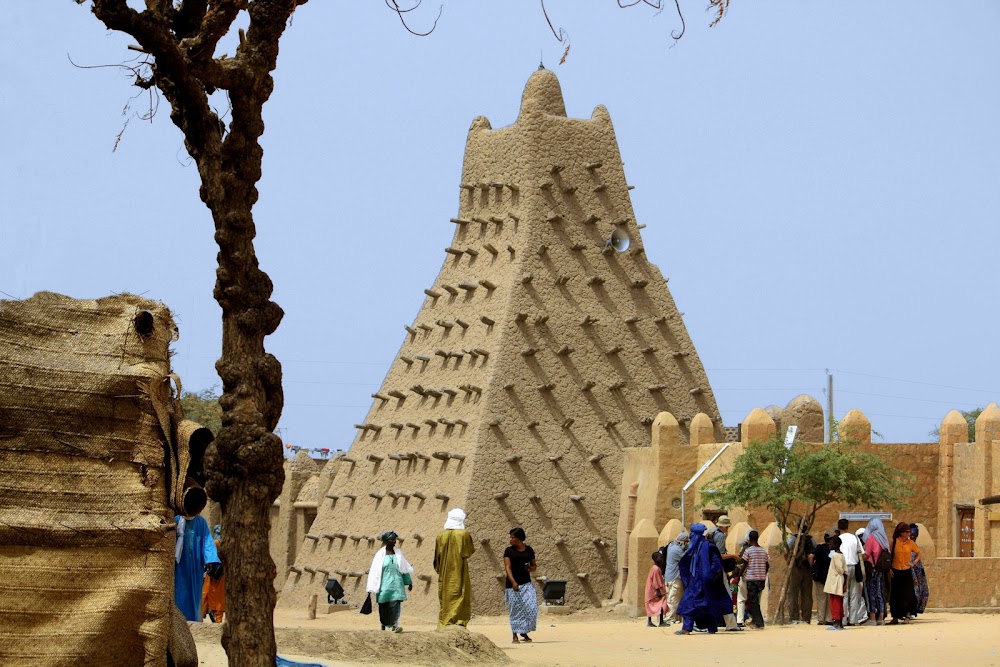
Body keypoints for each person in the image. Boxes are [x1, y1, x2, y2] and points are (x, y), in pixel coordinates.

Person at [674, 523, 732, 635]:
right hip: (695, 581)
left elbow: (716, 563)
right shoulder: (693, 548)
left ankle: (688, 628)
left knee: (690, 603)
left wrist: (710, 576)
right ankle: (710, 628)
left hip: (705, 581)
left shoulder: (709, 546)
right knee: (703, 604)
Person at [174, 498, 221, 622]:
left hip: (195, 570)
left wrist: (211, 560)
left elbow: (207, 543)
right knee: (178, 596)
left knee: (193, 598)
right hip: (177, 568)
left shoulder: (201, 523)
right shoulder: (176, 521)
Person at [434, 508, 476, 628]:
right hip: (460, 570)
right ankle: (459, 621)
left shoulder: (440, 536)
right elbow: (468, 551)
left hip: (444, 571)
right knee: (460, 593)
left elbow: (437, 557)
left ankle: (444, 622)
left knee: (445, 596)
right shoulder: (464, 534)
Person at [366, 531, 414, 632]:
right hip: (384, 586)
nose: (394, 542)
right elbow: (374, 572)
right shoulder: (379, 556)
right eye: (392, 540)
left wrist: (409, 582)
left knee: (395, 605)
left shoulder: (398, 553)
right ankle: (383, 624)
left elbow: (403, 568)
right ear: (386, 541)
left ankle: (395, 625)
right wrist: (372, 587)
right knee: (384, 606)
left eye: (395, 539)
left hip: (397, 584)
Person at [503, 527, 538, 643]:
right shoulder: (509, 551)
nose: (510, 539)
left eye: (512, 537)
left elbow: (534, 566)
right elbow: (507, 567)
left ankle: (523, 630)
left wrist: (531, 568)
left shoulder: (529, 550)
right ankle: (515, 634)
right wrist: (513, 582)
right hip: (513, 584)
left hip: (526, 583)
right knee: (516, 609)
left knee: (531, 607)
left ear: (519, 538)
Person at [888, 521, 921, 624]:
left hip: (906, 570)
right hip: (895, 570)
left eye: (909, 531)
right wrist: (889, 569)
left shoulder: (910, 543)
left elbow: (918, 553)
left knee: (908, 595)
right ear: (901, 532)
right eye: (906, 532)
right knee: (895, 594)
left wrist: (913, 563)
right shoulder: (894, 542)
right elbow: (889, 556)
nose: (909, 534)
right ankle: (895, 617)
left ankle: (907, 616)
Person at [836, 518, 867, 625]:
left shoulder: (837, 539)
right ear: (848, 526)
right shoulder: (855, 538)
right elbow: (862, 554)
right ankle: (853, 620)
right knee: (854, 594)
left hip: (842, 568)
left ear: (838, 527)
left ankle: (844, 620)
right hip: (854, 567)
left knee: (844, 594)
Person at [785, 521, 816, 624]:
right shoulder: (811, 539)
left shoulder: (792, 538)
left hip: (795, 568)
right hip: (807, 568)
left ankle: (794, 617)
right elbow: (813, 553)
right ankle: (806, 618)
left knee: (793, 593)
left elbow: (786, 551)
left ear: (798, 527)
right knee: (807, 594)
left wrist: (789, 563)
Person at [863, 517, 890, 625]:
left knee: (871, 592)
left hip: (872, 569)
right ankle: (881, 617)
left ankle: (873, 617)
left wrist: (858, 556)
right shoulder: (883, 538)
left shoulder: (871, 538)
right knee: (880, 592)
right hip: (881, 569)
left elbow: (867, 554)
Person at [741, 530, 769, 629]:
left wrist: (739, 575)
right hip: (761, 579)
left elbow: (744, 564)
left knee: (753, 601)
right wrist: (764, 577)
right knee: (756, 600)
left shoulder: (748, 551)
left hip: (752, 578)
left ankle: (759, 622)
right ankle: (754, 620)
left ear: (749, 539)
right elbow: (767, 565)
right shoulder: (763, 551)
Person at [200, 524, 226, 623]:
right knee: (219, 597)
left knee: (206, 594)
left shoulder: (214, 543)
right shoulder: (226, 543)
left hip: (212, 575)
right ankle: (218, 618)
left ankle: (201, 615)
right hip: (222, 575)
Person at [662, 532, 688, 625]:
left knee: (673, 598)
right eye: (686, 541)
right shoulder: (677, 550)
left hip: (669, 576)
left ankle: (674, 617)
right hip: (675, 577)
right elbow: (685, 558)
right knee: (673, 599)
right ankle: (669, 618)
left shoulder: (671, 546)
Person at [824, 535, 847, 631]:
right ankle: (839, 622)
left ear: (836, 545)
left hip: (835, 582)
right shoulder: (841, 555)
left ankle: (837, 622)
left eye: (831, 544)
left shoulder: (836, 556)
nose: (829, 545)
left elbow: (840, 570)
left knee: (835, 602)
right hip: (838, 581)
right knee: (838, 601)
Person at [811, 534, 833, 625]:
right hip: (830, 575)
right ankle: (829, 618)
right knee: (829, 597)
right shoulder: (833, 549)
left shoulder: (819, 547)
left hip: (819, 575)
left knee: (821, 597)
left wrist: (812, 567)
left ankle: (821, 618)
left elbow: (811, 556)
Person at [909, 524, 929, 617]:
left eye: (914, 535)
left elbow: (918, 556)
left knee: (922, 591)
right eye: (911, 534)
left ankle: (915, 610)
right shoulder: (906, 545)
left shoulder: (915, 545)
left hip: (917, 571)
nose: (912, 536)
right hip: (909, 571)